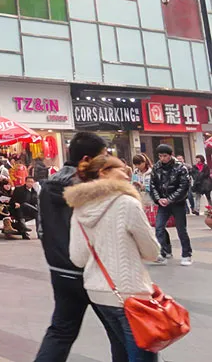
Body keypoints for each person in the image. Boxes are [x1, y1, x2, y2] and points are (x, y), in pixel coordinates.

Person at [35, 131, 127, 362]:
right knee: (121, 335)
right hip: (94, 271)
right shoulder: (92, 187)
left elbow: (41, 229)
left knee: (60, 332)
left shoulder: (47, 187)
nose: (106, 162)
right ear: (87, 158)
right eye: (103, 157)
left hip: (60, 270)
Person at [65, 155, 161, 362]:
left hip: (98, 292)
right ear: (103, 172)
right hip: (130, 293)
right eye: (121, 169)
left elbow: (78, 258)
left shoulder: (79, 207)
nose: (127, 173)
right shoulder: (127, 203)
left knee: (120, 350)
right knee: (142, 355)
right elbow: (152, 252)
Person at [150, 144, 192, 266]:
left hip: (178, 203)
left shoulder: (180, 168)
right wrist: (159, 199)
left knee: (181, 229)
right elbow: (153, 185)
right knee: (159, 227)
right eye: (160, 156)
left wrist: (170, 199)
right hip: (163, 203)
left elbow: (184, 187)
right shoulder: (156, 167)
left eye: (165, 156)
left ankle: (186, 254)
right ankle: (164, 252)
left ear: (170, 155)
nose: (162, 158)